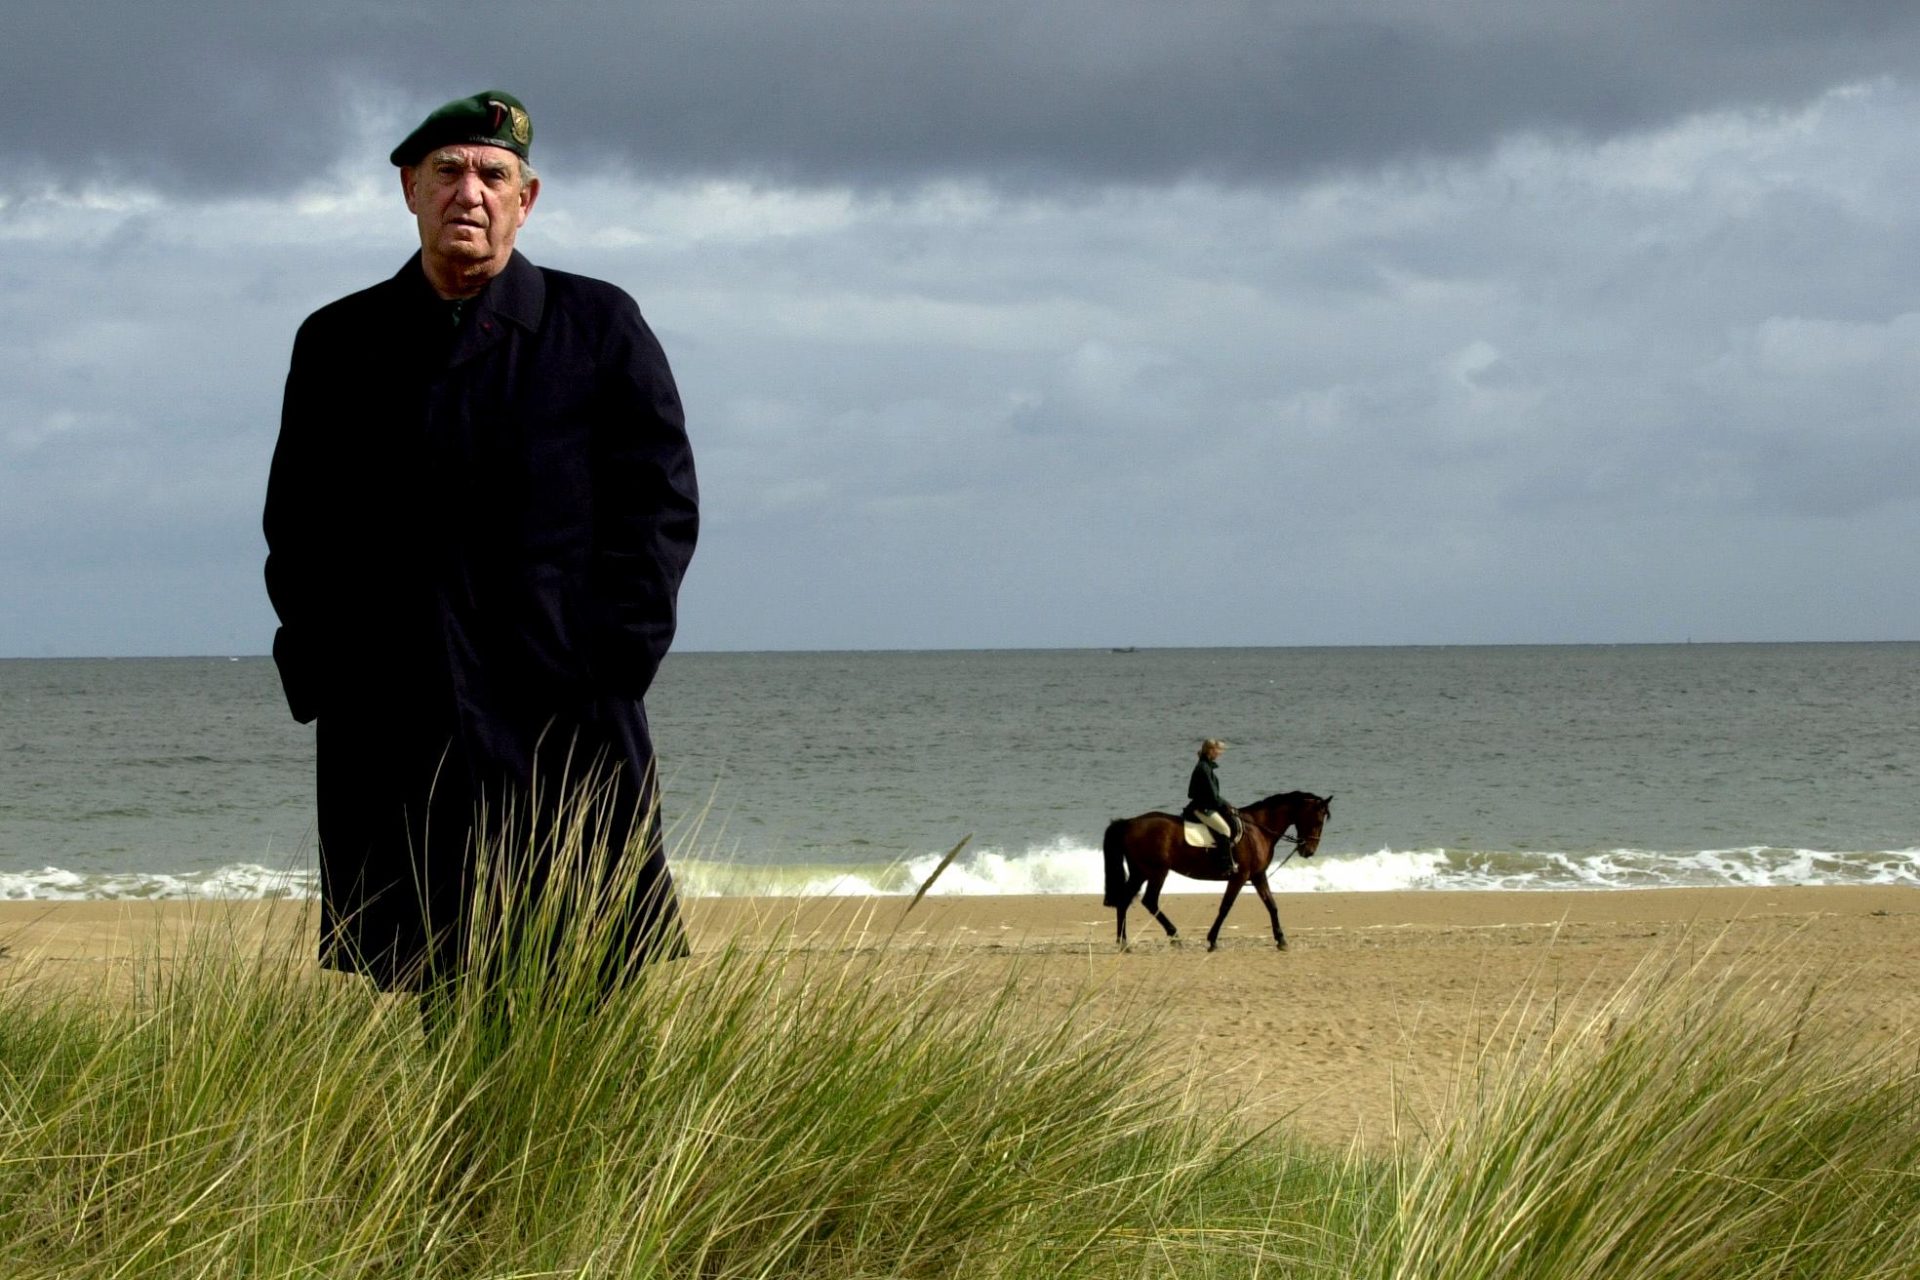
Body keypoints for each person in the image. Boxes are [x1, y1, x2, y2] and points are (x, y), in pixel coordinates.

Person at [263, 90, 698, 994]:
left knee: (582, 977)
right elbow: (297, 526)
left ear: (525, 200)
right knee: (430, 987)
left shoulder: (597, 325)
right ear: (409, 189)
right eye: (449, 171)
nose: (472, 192)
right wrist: (325, 671)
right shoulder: (339, 342)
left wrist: (614, 662)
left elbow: (659, 505)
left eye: (494, 175)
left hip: (564, 718)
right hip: (394, 725)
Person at [1184, 738, 1238, 874]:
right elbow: (1212, 795)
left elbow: (1213, 795)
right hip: (1203, 808)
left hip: (1207, 805)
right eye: (1219, 750)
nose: (1220, 753)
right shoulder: (1203, 768)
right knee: (1225, 830)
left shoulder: (1206, 766)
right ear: (1211, 750)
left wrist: (1226, 804)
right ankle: (1224, 866)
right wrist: (1225, 805)